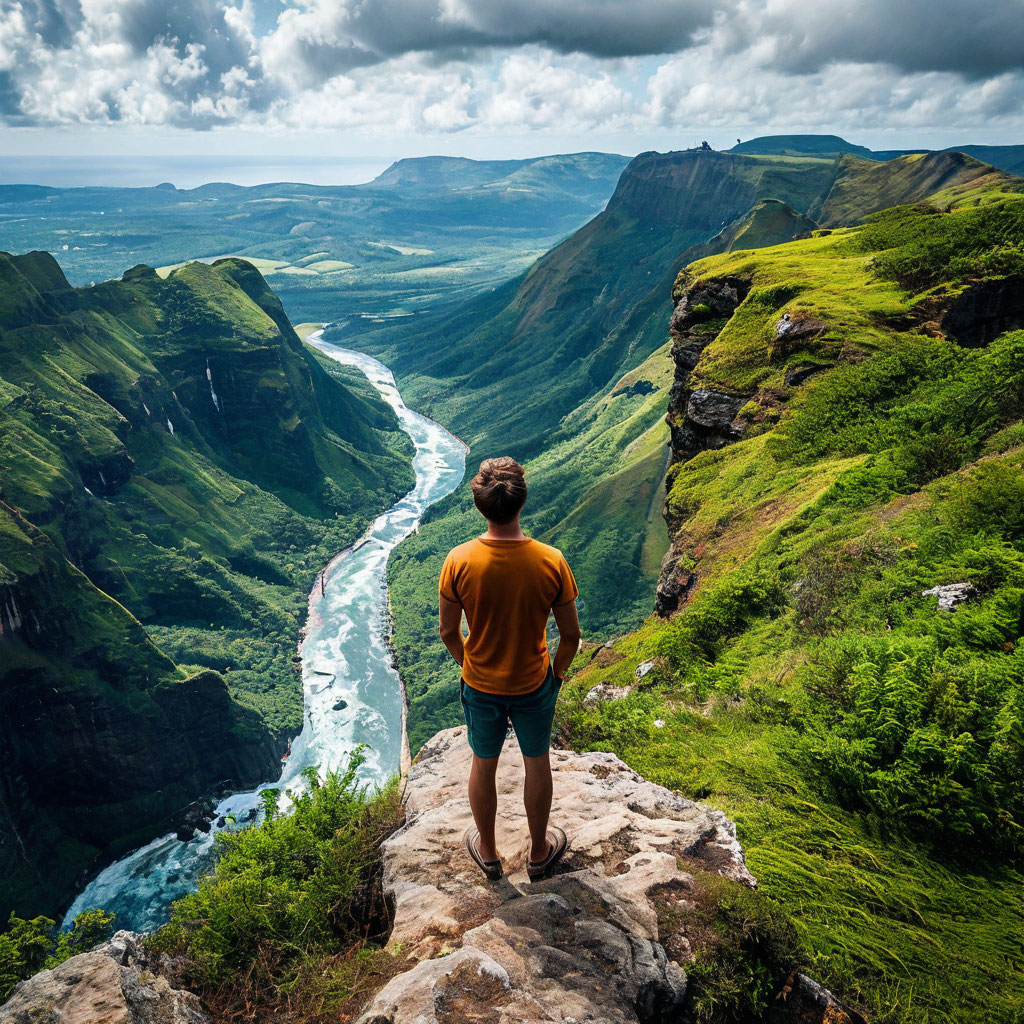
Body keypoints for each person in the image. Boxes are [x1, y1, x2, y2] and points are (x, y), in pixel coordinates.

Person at [438, 456, 581, 882]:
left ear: (480, 506)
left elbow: (448, 632)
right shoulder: (550, 560)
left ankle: (488, 852)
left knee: (484, 763)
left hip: (480, 684)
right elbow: (571, 636)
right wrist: (557, 675)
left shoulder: (458, 560)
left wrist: (472, 667)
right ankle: (539, 853)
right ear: (522, 502)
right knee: (537, 762)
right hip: (534, 682)